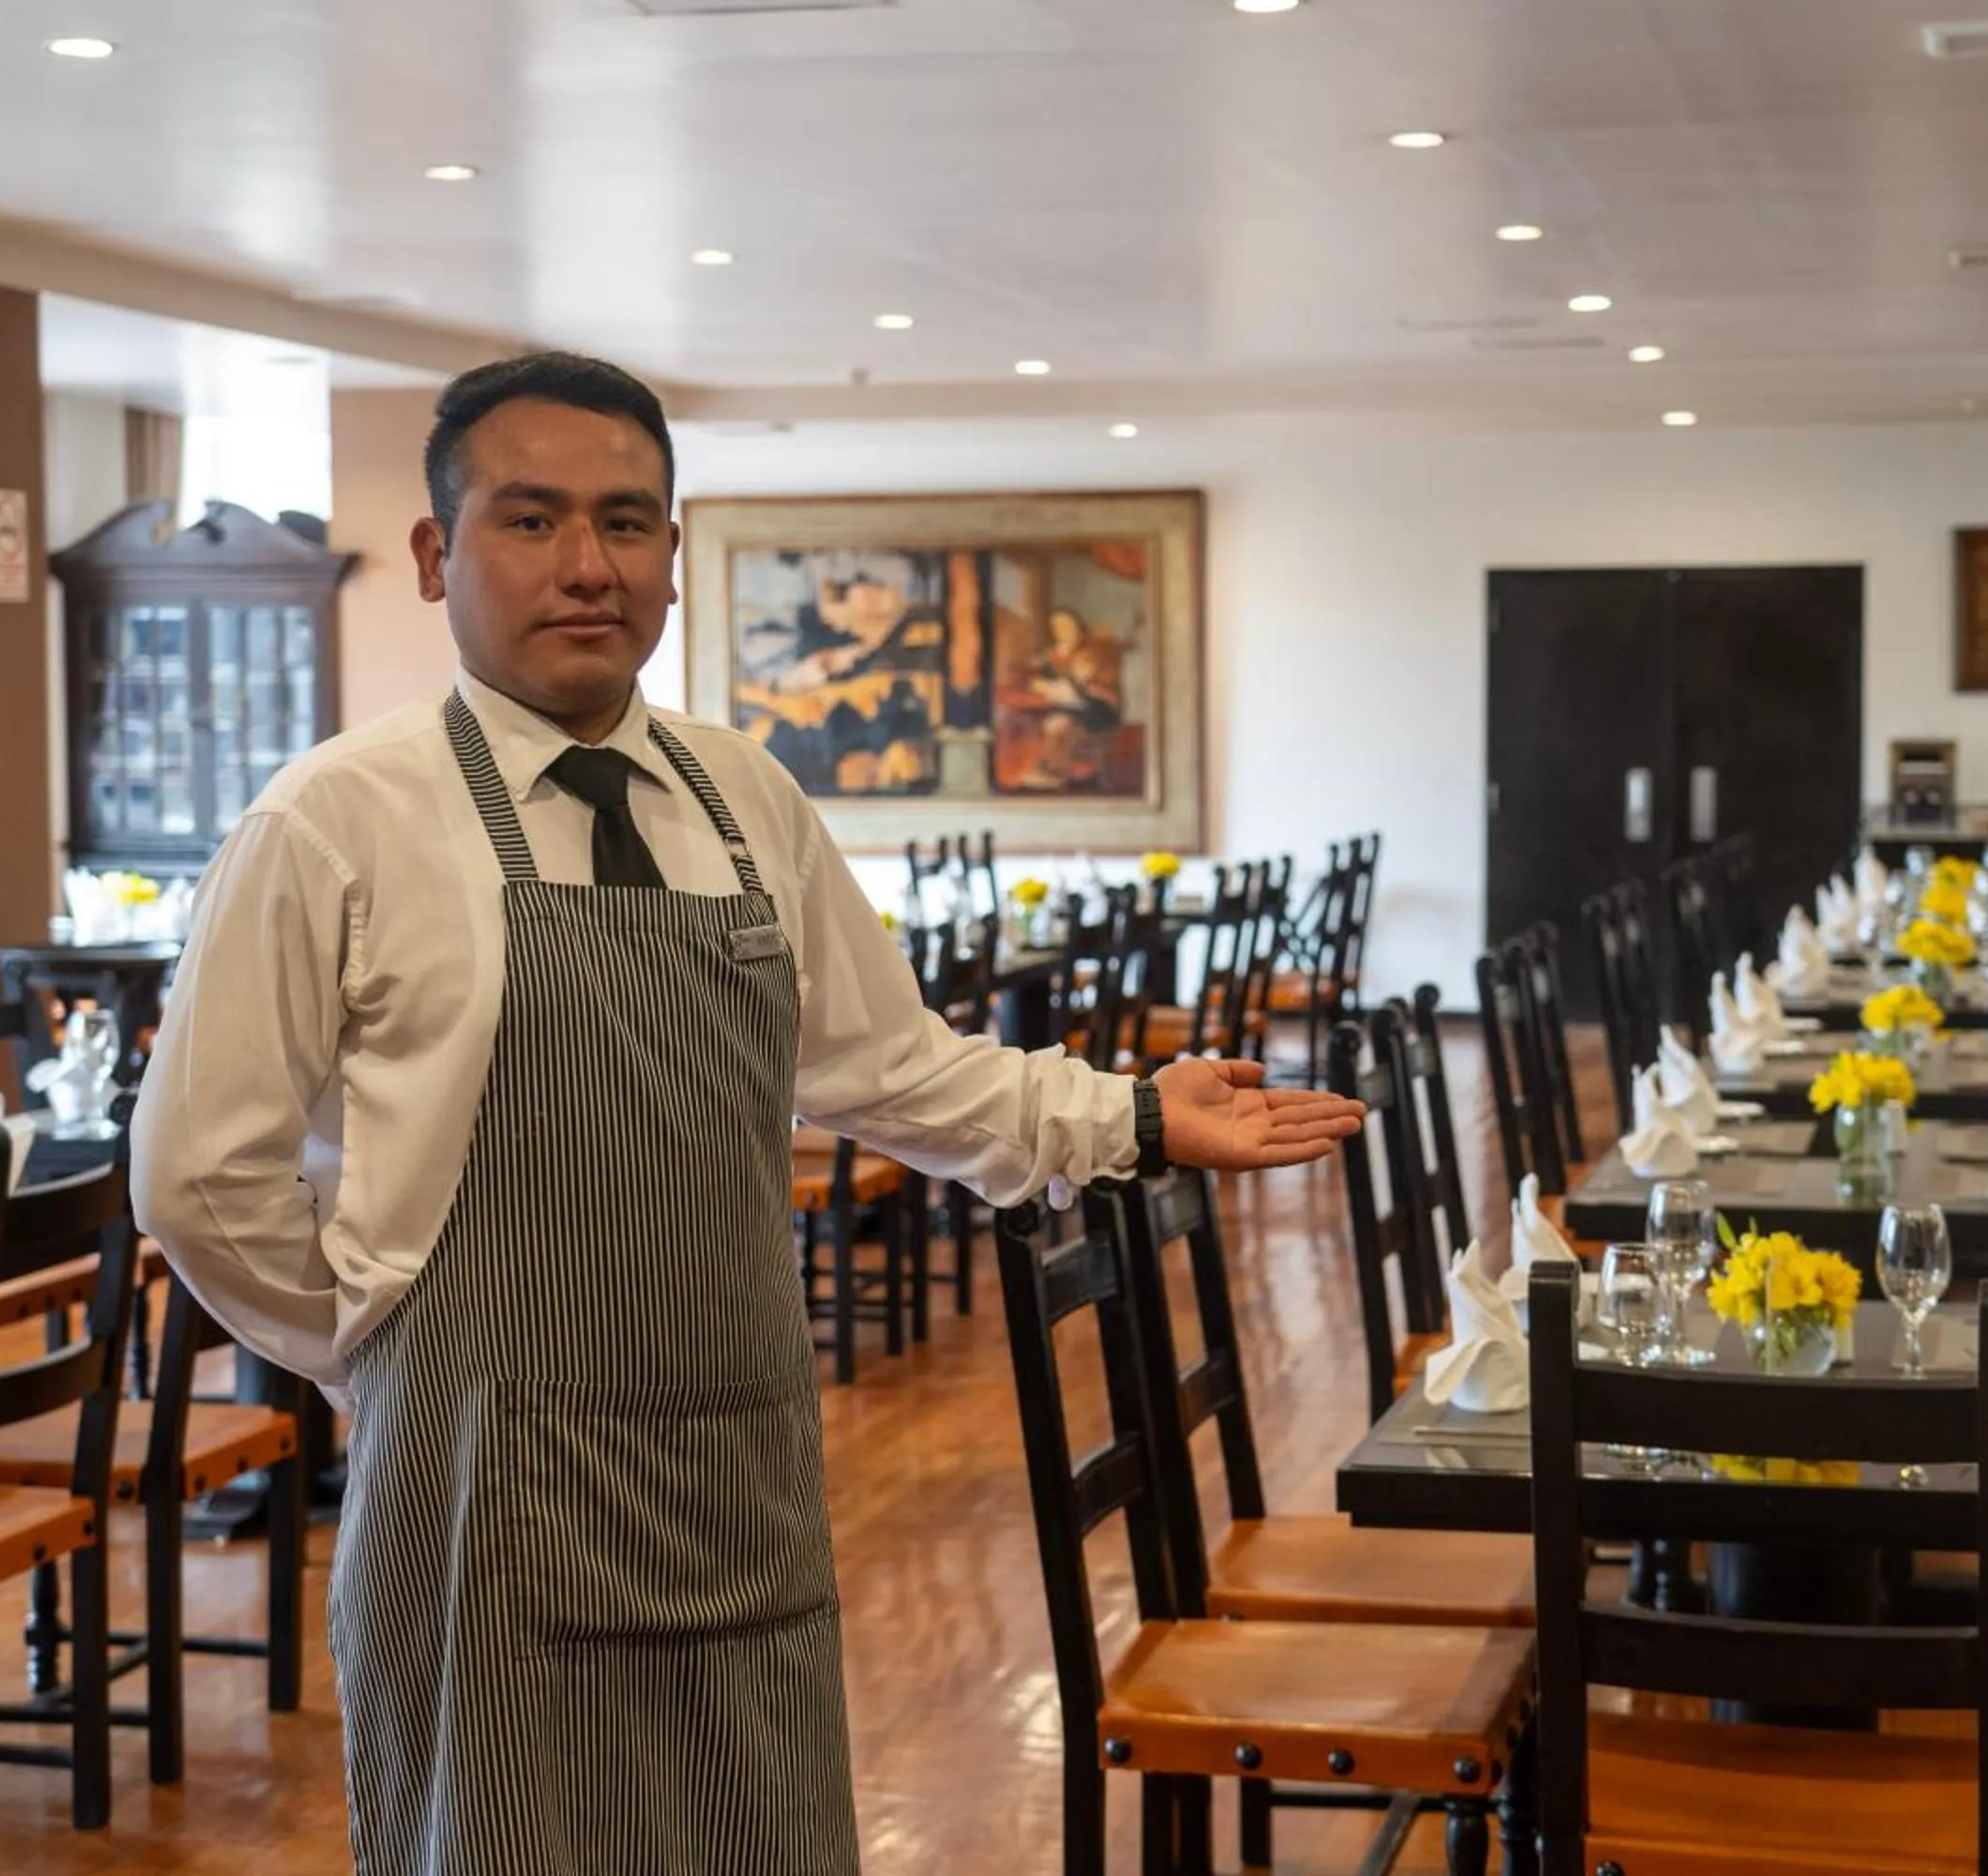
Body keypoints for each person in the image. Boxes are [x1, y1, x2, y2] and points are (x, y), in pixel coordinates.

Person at [129, 351, 1365, 1875]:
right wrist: (371, 1346)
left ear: (670, 554)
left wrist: (1126, 1115)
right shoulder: (331, 821)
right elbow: (199, 1176)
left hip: (737, 1466)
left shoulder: (741, 798)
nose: (588, 565)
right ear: (438, 557)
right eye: (531, 521)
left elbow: (891, 1065)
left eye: (628, 523)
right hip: (479, 1491)